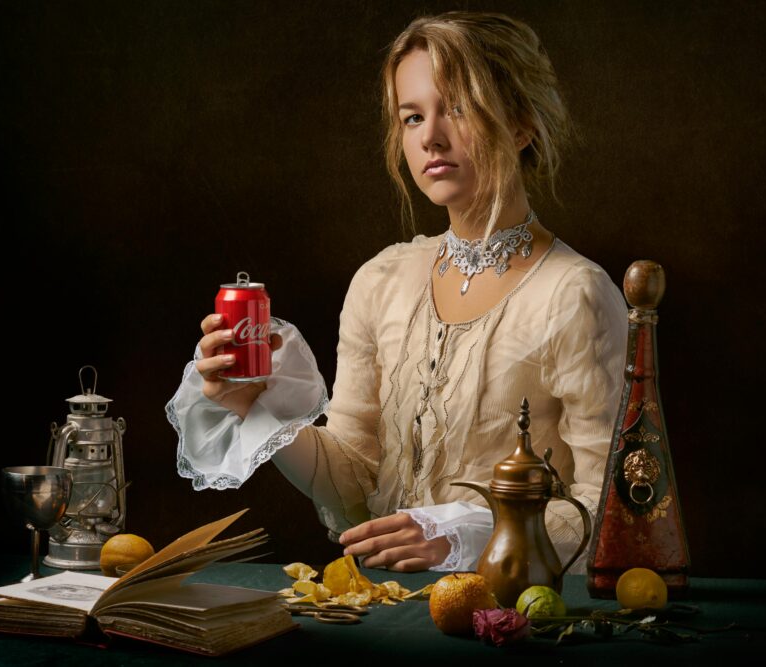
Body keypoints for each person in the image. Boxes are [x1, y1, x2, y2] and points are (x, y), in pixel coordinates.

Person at [166, 11, 627, 573]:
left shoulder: (576, 293)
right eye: (412, 116)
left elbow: (607, 508)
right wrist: (256, 407)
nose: (430, 136)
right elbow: (351, 480)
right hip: (385, 607)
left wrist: (465, 533)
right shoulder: (382, 281)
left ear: (521, 123)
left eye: (456, 107)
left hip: (516, 618)